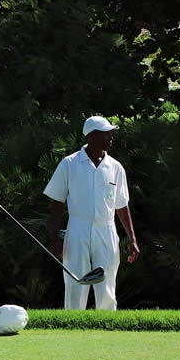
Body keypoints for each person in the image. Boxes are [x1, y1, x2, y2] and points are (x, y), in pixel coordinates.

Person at [43, 116, 140, 310]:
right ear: (92, 137)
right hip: (77, 229)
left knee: (107, 281)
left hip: (106, 229)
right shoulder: (69, 164)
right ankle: (73, 322)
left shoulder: (116, 167)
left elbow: (121, 205)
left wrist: (132, 238)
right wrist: (54, 238)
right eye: (107, 134)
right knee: (75, 281)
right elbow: (58, 203)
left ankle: (106, 322)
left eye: (111, 134)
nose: (111, 138)